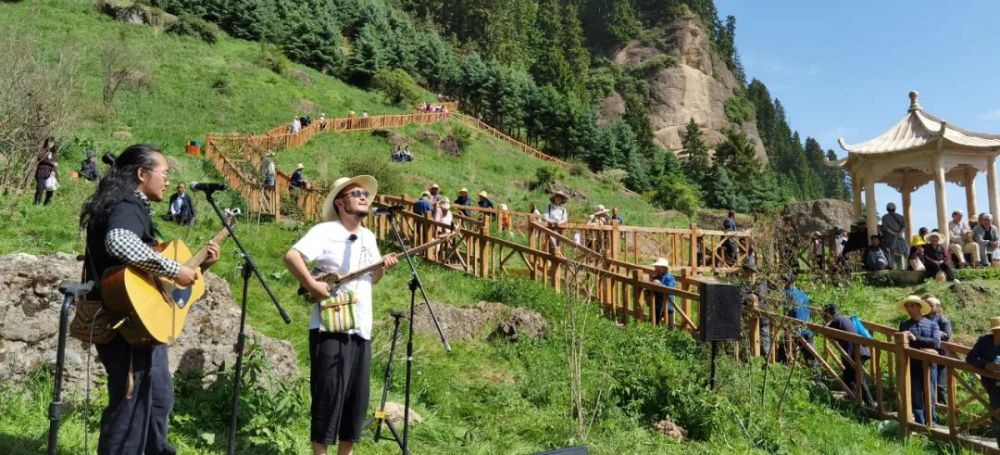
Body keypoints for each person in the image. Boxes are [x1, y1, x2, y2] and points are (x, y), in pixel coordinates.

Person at [80, 144, 220, 454]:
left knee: (157, 399)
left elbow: (155, 280)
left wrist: (199, 268)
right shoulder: (127, 204)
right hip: (124, 324)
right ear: (142, 174)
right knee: (130, 407)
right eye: (165, 173)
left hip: (138, 324)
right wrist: (173, 267)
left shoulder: (129, 206)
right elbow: (119, 242)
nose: (168, 180)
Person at [283, 175, 398, 455]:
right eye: (356, 193)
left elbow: (372, 280)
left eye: (365, 194)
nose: (363, 197)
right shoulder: (325, 231)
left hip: (361, 328)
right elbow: (292, 256)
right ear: (340, 202)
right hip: (330, 328)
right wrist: (312, 285)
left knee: (356, 402)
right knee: (328, 398)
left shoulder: (369, 236)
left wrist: (382, 267)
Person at [898, 295, 941, 425]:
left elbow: (936, 343)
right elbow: (904, 345)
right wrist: (924, 348)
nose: (909, 309)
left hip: (929, 365)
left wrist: (917, 340)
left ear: (919, 307)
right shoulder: (905, 325)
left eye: (912, 306)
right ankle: (920, 424)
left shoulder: (932, 325)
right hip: (913, 365)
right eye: (907, 306)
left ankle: (931, 423)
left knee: (930, 396)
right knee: (916, 396)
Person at [822, 304, 874, 404]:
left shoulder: (835, 321)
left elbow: (825, 331)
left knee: (853, 377)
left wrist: (824, 323)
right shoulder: (845, 318)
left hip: (854, 353)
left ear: (829, 314)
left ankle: (865, 402)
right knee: (852, 376)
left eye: (825, 314)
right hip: (861, 350)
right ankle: (860, 399)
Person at [964, 316, 1000, 447]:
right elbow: (970, 357)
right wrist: (986, 365)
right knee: (996, 412)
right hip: (991, 383)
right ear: (994, 331)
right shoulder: (984, 341)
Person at [923, 295, 953, 405]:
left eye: (931, 305)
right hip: (926, 353)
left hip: (941, 354)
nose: (929, 307)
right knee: (927, 383)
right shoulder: (923, 318)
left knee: (941, 386)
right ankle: (930, 406)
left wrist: (934, 333)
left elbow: (947, 335)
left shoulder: (943, 319)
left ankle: (945, 409)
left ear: (937, 306)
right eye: (927, 305)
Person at [741, 262, 770, 358]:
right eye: (747, 272)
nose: (748, 275)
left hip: (762, 318)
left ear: (755, 273)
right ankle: (749, 360)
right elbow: (741, 297)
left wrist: (750, 297)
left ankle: (767, 364)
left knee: (764, 342)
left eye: (751, 273)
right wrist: (749, 297)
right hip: (748, 318)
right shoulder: (744, 283)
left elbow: (759, 296)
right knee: (748, 341)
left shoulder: (761, 282)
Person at [881, 202, 908, 270]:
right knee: (903, 252)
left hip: (889, 239)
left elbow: (886, 228)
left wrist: (894, 233)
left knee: (891, 254)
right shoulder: (900, 216)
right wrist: (899, 234)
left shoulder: (884, 217)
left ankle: (893, 268)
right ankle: (903, 268)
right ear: (895, 209)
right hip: (899, 237)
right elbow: (904, 227)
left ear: (887, 209)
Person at [650, 258, 676, 328]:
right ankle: (656, 333)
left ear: (663, 268)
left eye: (657, 267)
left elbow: (670, 288)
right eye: (656, 267)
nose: (655, 269)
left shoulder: (669, 277)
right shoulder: (657, 277)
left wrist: (660, 284)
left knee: (670, 324)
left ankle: (671, 335)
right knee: (656, 321)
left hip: (668, 303)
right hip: (658, 303)